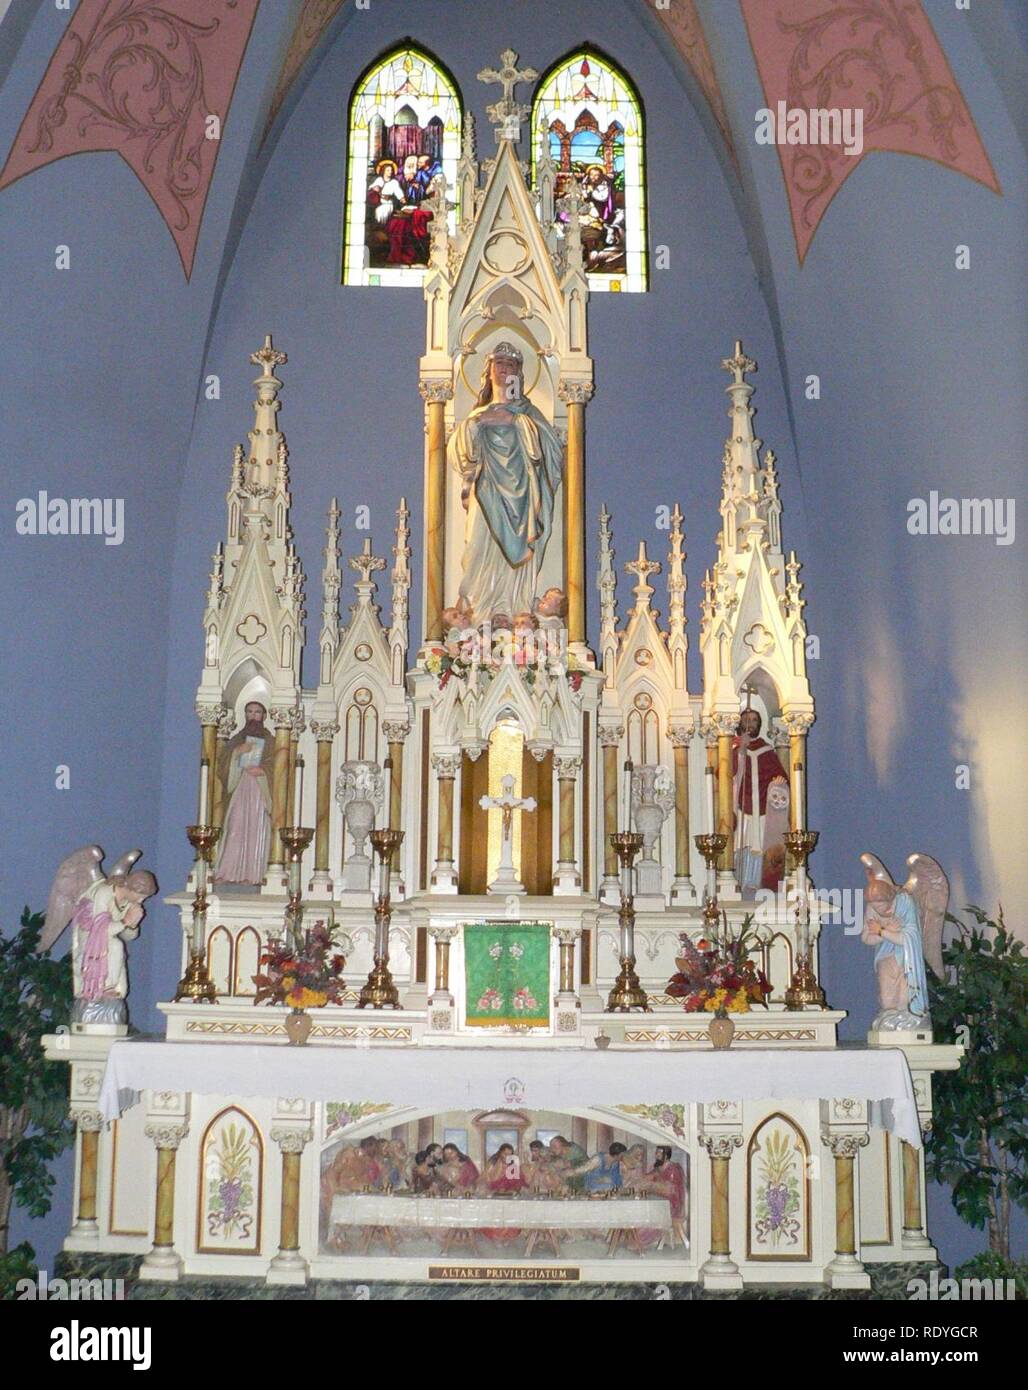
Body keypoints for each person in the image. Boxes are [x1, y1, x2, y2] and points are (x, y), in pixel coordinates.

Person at [447, 342, 564, 624]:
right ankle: (479, 612)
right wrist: (478, 424)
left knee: (519, 552)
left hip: (523, 501)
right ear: (488, 372)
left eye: (512, 366)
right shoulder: (477, 415)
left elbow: (553, 455)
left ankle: (516, 610)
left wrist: (515, 421)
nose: (505, 369)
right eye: (499, 364)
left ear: (520, 376)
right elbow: (458, 455)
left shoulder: (530, 416)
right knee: (477, 546)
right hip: (485, 495)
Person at [214, 702, 275, 885]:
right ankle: (227, 872)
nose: (253, 716)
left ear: (264, 716)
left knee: (257, 829)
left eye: (257, 712)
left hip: (259, 789)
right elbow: (221, 767)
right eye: (249, 712)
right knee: (236, 827)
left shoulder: (272, 741)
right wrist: (236, 753)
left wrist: (263, 770)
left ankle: (254, 875)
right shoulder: (236, 740)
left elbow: (279, 766)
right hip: (239, 788)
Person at [732, 708, 790, 895]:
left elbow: (780, 776)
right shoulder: (735, 749)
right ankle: (743, 880)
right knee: (744, 843)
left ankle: (762, 883)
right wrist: (741, 750)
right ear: (739, 724)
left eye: (754, 720)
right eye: (746, 719)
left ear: (759, 724)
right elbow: (728, 775)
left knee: (763, 844)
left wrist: (779, 781)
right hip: (743, 809)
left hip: (764, 809)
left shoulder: (766, 750)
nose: (750, 723)